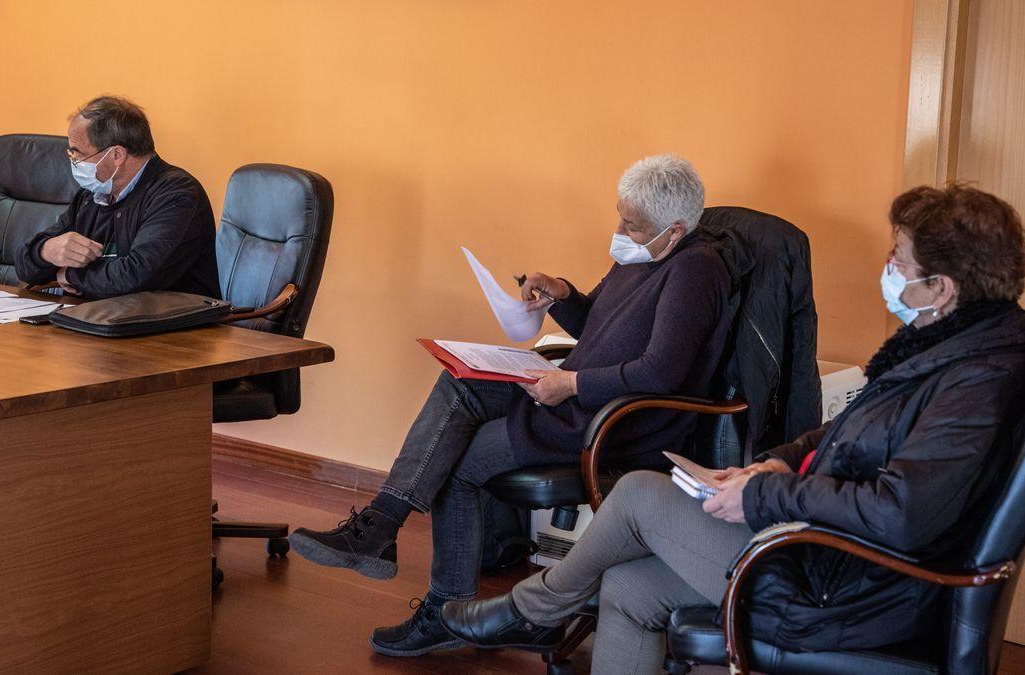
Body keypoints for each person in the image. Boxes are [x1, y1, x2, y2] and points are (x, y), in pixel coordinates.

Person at [439, 184, 1025, 674]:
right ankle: (538, 607)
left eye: (900, 261)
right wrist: (773, 462)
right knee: (626, 586)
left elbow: (902, 513)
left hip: (848, 585)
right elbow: (841, 440)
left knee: (641, 492)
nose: (887, 269)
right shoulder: (943, 350)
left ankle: (534, 607)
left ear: (943, 288)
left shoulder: (976, 385)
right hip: (825, 550)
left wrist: (760, 495)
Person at [289, 154, 733, 657]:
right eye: (622, 217)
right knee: (459, 379)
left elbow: (660, 372)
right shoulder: (643, 256)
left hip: (611, 420)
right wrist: (563, 295)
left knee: (458, 463)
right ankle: (382, 526)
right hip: (576, 396)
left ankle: (441, 608)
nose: (621, 230)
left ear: (674, 230)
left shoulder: (696, 272)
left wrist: (572, 385)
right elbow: (604, 332)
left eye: (632, 224)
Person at [14, 95, 219, 299]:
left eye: (78, 154)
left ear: (117, 155)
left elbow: (137, 276)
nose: (74, 162)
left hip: (170, 325)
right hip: (99, 318)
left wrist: (70, 274)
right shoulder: (91, 195)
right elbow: (24, 266)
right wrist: (45, 251)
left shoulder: (176, 194)